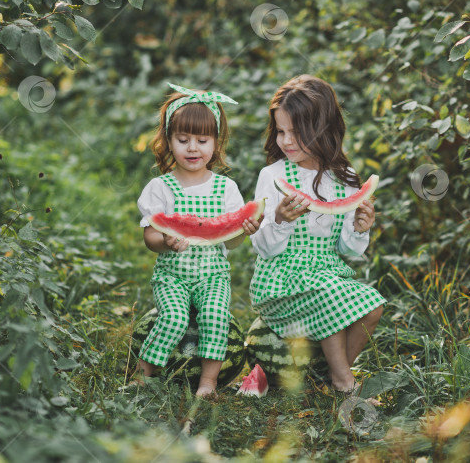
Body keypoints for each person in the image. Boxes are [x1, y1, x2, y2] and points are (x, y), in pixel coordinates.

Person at [249, 74, 386, 393]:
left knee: (374, 308)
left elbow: (349, 252)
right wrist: (280, 219)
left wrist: (359, 229)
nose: (286, 141)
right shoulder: (272, 175)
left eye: (296, 133)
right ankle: (343, 384)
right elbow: (263, 248)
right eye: (280, 131)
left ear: (323, 129)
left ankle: (325, 380)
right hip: (280, 279)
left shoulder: (346, 178)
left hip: (327, 271)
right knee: (329, 298)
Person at [136, 83, 260, 397]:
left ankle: (207, 383)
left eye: (202, 141)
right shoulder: (159, 188)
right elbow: (150, 236)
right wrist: (165, 240)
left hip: (213, 277)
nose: (193, 148)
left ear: (216, 143)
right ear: (168, 141)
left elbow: (229, 242)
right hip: (171, 276)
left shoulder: (226, 188)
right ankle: (141, 375)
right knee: (174, 319)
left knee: (216, 317)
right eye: (183, 140)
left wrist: (241, 231)